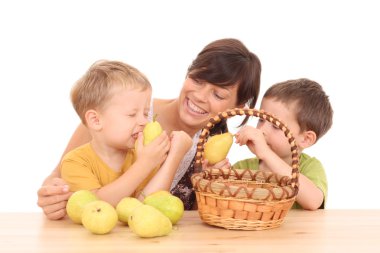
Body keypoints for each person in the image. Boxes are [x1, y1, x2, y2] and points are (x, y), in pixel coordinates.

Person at [37, 38, 262, 219]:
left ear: (238, 107)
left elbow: (163, 207)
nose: (200, 96)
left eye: (218, 94)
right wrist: (51, 193)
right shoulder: (121, 112)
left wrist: (209, 183)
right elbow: (59, 175)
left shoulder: (216, 137)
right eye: (198, 80)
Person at [59, 60, 192, 206]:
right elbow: (97, 206)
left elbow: (149, 206)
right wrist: (144, 164)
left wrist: (174, 156)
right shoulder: (75, 162)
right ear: (96, 120)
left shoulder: (142, 154)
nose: (144, 122)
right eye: (132, 114)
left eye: (146, 113)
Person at [232, 78, 333, 210]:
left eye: (275, 126)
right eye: (261, 120)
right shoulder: (242, 168)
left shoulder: (310, 167)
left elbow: (313, 201)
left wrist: (267, 154)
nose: (262, 130)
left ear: (306, 139)